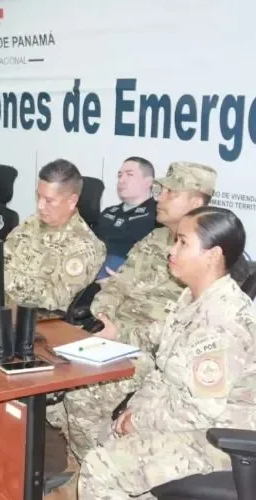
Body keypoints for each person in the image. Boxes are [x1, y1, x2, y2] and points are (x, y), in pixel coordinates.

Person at [47, 162, 217, 496]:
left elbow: (180, 331)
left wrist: (120, 334)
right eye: (161, 189)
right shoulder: (154, 239)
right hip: (114, 334)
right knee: (48, 380)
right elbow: (116, 284)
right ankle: (80, 464)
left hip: (152, 353)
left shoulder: (206, 256)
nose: (160, 197)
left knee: (82, 395)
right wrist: (107, 316)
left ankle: (91, 473)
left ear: (196, 203)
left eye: (170, 192)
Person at [78, 207, 256, 499]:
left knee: (102, 466)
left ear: (212, 255)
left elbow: (200, 411)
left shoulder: (222, 322)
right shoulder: (191, 297)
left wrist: (139, 420)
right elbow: (165, 371)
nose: (171, 251)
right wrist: (132, 413)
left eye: (183, 243)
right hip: (186, 418)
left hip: (218, 437)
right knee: (106, 437)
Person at [3, 159, 105, 312]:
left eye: (49, 200)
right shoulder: (33, 223)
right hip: (3, 308)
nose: (40, 206)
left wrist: (5, 281)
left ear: (72, 201)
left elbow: (54, 299)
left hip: (39, 321)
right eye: (39, 196)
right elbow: (1, 259)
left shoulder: (83, 245)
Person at [94, 157, 157, 278]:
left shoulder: (157, 215)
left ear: (149, 182)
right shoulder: (109, 212)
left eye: (129, 175)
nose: (121, 180)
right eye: (119, 175)